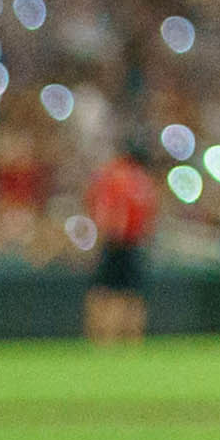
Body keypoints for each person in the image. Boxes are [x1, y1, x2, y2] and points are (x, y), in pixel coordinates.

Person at [84, 143, 160, 347]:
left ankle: (105, 342)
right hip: (134, 243)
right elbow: (149, 217)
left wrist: (101, 241)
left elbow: (108, 213)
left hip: (115, 242)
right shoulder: (144, 181)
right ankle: (133, 342)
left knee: (105, 293)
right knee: (132, 295)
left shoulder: (114, 176)